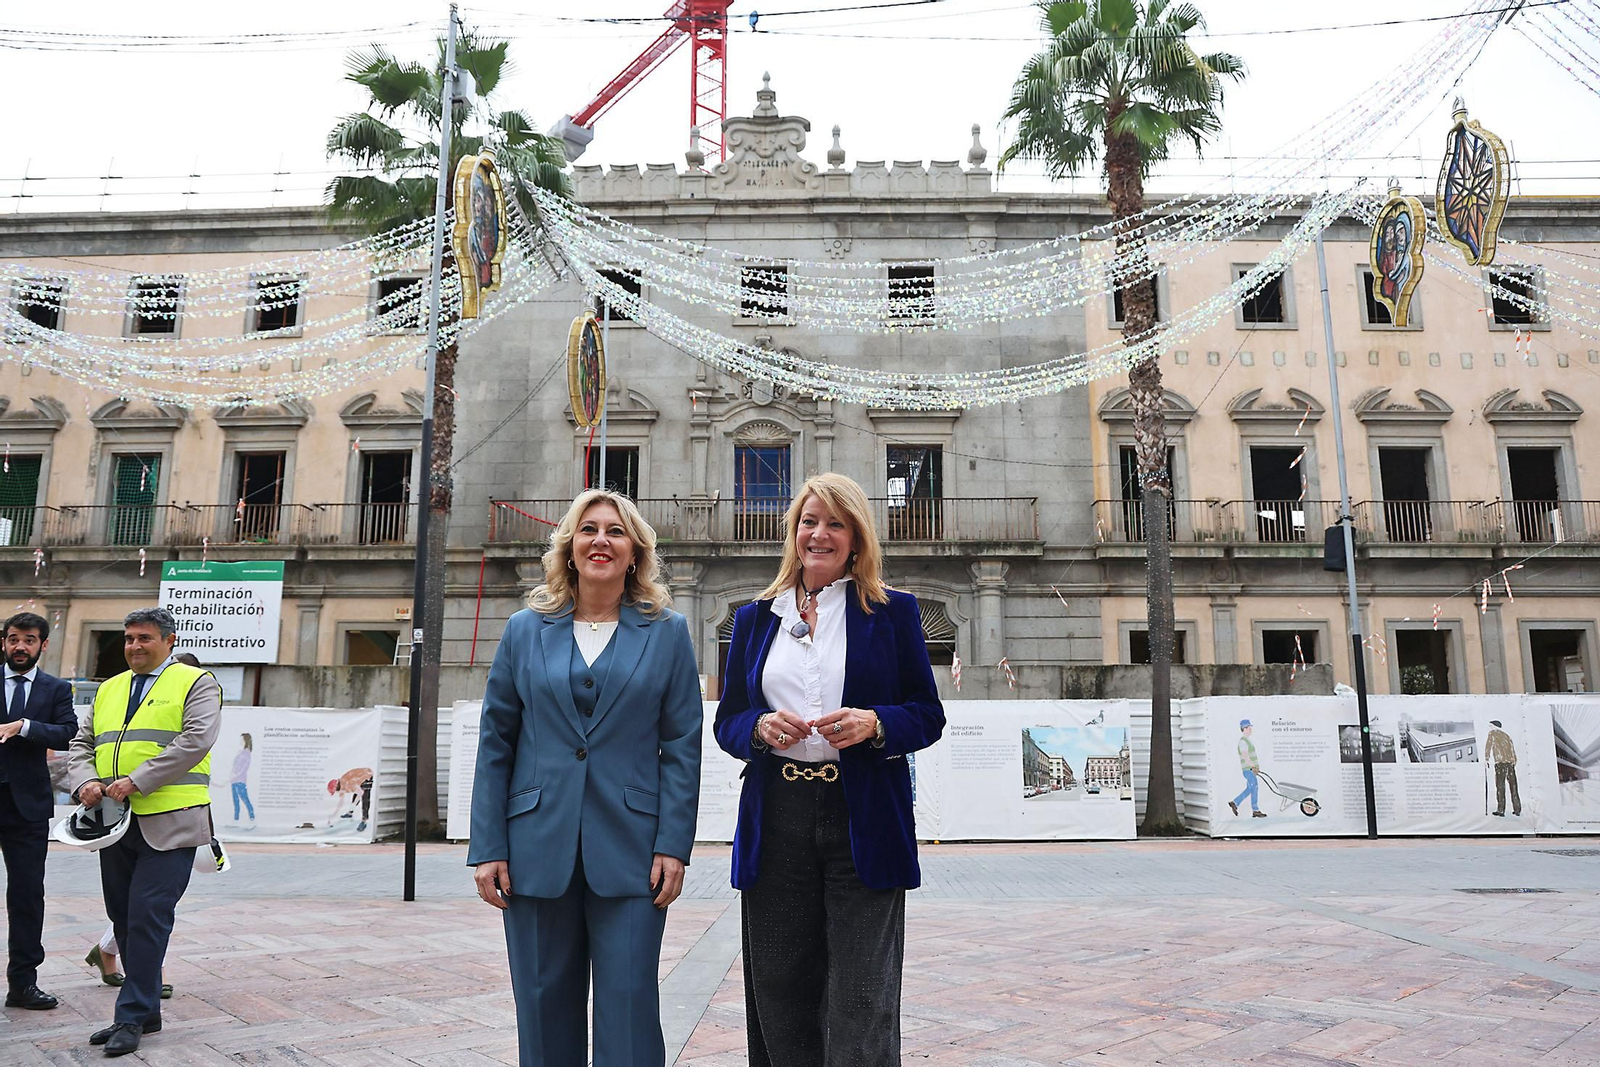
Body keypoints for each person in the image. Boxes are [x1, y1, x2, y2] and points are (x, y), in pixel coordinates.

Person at [714, 472, 945, 1067]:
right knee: (781, 985)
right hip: (779, 816)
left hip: (862, 816)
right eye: (809, 521)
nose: (820, 534)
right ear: (792, 533)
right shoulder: (753, 619)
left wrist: (876, 722)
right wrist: (758, 729)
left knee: (861, 992)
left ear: (857, 537)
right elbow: (729, 720)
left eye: (835, 523)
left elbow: (926, 714)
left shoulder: (893, 614)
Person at [468, 489, 702, 1067]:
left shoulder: (667, 632)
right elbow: (496, 741)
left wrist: (673, 843)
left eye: (616, 531)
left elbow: (681, 744)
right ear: (569, 547)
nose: (602, 540)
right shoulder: (525, 630)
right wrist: (488, 846)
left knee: (629, 1007)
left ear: (636, 551)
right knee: (543, 1008)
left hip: (632, 849)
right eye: (589, 529)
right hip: (533, 847)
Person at [67, 608, 220, 1057]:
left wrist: (139, 780)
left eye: (145, 638)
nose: (134, 646)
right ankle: (146, 1008)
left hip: (171, 822)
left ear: (169, 641)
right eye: (129, 638)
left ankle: (130, 1016)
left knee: (149, 915)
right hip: (112, 824)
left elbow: (196, 741)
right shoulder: (109, 688)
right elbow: (81, 744)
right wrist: (83, 781)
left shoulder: (197, 682)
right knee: (123, 917)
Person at [1, 611, 79, 1011]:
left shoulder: (55, 689)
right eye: (14, 639)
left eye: (29, 640)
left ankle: (23, 984)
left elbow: (68, 732)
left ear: (42, 645)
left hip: (27, 808)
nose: (20, 646)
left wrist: (25, 726)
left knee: (27, 895)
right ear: (4, 642)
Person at [1229, 719, 1266, 818]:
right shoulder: (1243, 742)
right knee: (1254, 787)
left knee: (1251, 788)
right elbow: (1245, 756)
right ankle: (1254, 809)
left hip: (1250, 769)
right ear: (1244, 728)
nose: (1251, 730)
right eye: (1249, 728)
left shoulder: (1247, 741)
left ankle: (1236, 803)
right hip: (1248, 769)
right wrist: (1253, 766)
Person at [1485, 719, 1521, 817]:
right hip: (1510, 763)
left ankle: (1501, 810)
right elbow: (1512, 750)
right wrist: (1514, 761)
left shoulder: (1492, 733)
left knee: (1500, 787)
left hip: (1500, 763)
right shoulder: (1507, 736)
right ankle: (1517, 809)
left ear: (1495, 727)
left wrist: (1486, 759)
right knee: (1513, 786)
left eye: (1491, 725)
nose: (1490, 727)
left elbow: (1488, 746)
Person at [228, 734, 256, 828]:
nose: (240, 741)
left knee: (245, 800)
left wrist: (235, 775)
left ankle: (252, 819)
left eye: (242, 740)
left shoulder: (246, 753)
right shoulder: (241, 752)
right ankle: (236, 821)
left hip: (240, 780)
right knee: (236, 801)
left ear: (245, 741)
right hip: (234, 780)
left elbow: (243, 768)